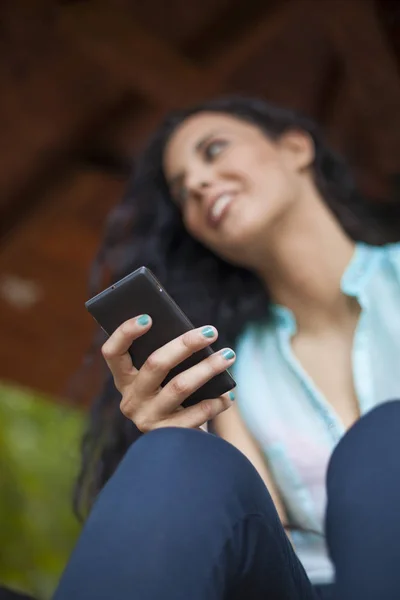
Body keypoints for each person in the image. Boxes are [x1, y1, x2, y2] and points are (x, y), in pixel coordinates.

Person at [56, 96, 400, 599]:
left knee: (383, 441)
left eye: (213, 151)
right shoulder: (230, 365)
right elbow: (266, 533)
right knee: (174, 454)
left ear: (295, 148)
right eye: (181, 192)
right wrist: (180, 433)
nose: (196, 184)